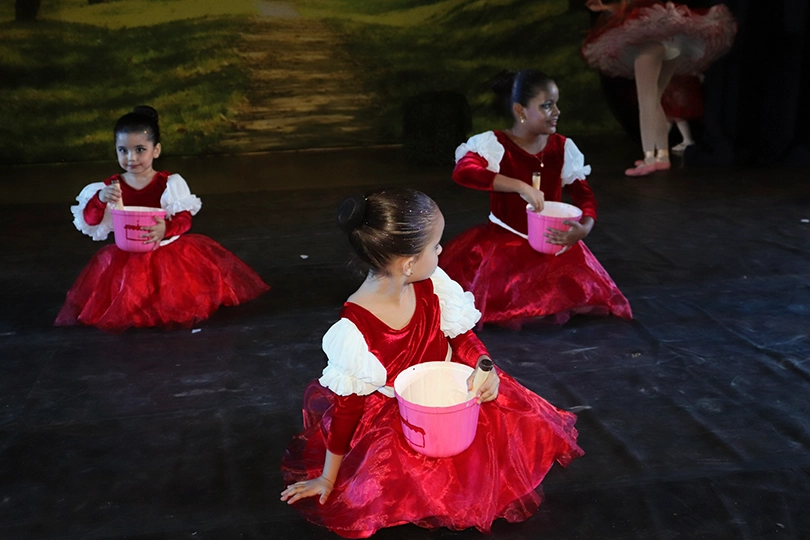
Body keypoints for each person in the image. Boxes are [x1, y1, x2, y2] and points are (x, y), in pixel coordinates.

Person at [280, 188, 583, 538]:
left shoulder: (433, 283)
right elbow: (348, 410)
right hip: (406, 416)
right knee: (411, 478)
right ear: (408, 263)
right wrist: (328, 477)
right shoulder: (354, 331)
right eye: (436, 246)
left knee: (505, 432)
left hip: (454, 389)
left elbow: (461, 337)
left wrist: (484, 365)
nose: (441, 251)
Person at [439, 69, 632, 326]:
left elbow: (584, 195)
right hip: (504, 245)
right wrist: (519, 186)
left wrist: (584, 227)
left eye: (556, 104)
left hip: (551, 244)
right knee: (508, 302)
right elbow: (464, 172)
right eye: (547, 105)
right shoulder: (495, 144)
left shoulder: (562, 148)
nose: (557, 112)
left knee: (573, 294)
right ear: (520, 111)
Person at [55, 106, 269, 332]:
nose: (131, 158)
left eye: (140, 150)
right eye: (123, 150)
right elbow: (90, 221)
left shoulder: (169, 184)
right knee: (131, 292)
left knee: (172, 294)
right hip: (128, 254)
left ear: (155, 150)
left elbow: (185, 219)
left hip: (167, 251)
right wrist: (99, 199)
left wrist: (165, 228)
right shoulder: (110, 187)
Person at [582, 0, 737, 176]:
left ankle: (649, 158)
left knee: (646, 101)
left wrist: (607, 8)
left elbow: (632, 7)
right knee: (655, 99)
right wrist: (605, 8)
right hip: (673, 43)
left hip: (650, 43)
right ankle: (662, 156)